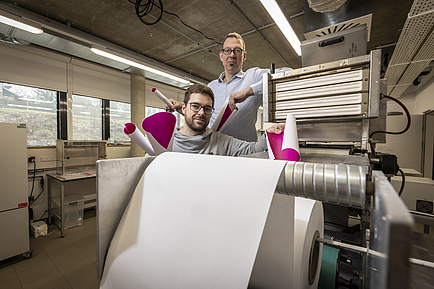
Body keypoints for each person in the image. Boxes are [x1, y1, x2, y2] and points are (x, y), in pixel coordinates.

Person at [168, 32, 290, 142]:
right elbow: (204, 117)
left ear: (244, 56)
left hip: (244, 152)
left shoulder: (253, 76)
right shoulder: (211, 86)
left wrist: (249, 91)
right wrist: (181, 108)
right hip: (215, 149)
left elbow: (287, 73)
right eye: (227, 50)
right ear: (221, 56)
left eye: (237, 50)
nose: (232, 55)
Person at [173, 84, 284, 156]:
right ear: (183, 108)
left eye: (207, 108)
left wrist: (269, 134)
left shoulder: (221, 142)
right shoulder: (166, 142)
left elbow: (254, 148)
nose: (201, 112)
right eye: (195, 106)